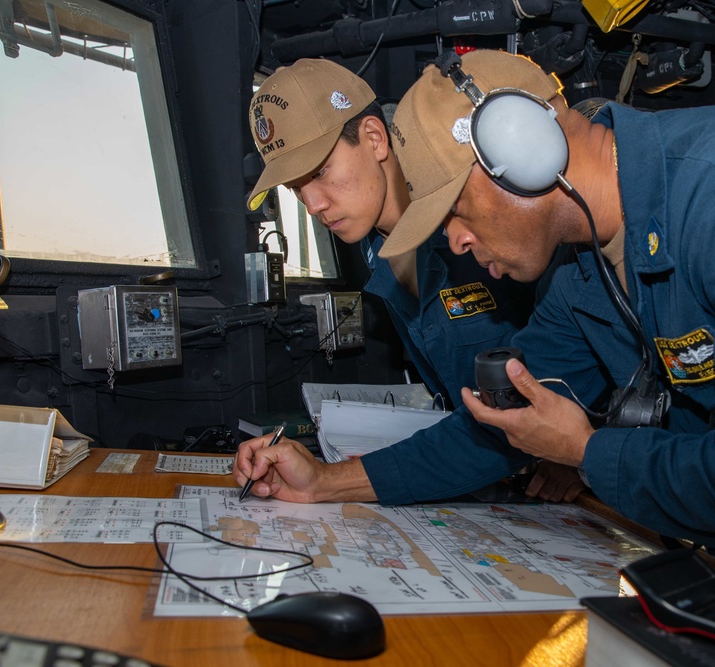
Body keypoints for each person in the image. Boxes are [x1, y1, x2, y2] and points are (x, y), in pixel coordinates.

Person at [373, 49, 715, 586]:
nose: (457, 241)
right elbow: (504, 420)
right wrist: (327, 483)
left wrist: (586, 452)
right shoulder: (583, 265)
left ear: (524, 151)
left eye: (454, 212)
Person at [235, 58, 585, 503]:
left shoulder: (483, 215)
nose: (315, 205)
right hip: (485, 474)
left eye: (320, 173)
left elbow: (585, 344)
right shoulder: (375, 251)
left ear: (374, 138)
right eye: (296, 191)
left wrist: (579, 455)